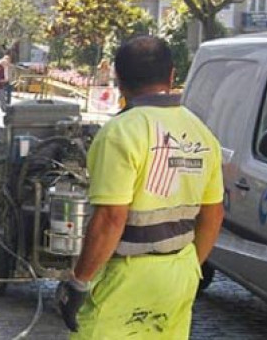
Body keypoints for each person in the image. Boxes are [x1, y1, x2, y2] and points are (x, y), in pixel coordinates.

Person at [56, 35, 224, 339]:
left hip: (127, 277)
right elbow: (213, 215)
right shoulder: (202, 134)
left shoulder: (121, 132)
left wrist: (79, 281)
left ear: (119, 80)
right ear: (172, 75)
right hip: (180, 272)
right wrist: (188, 268)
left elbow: (110, 218)